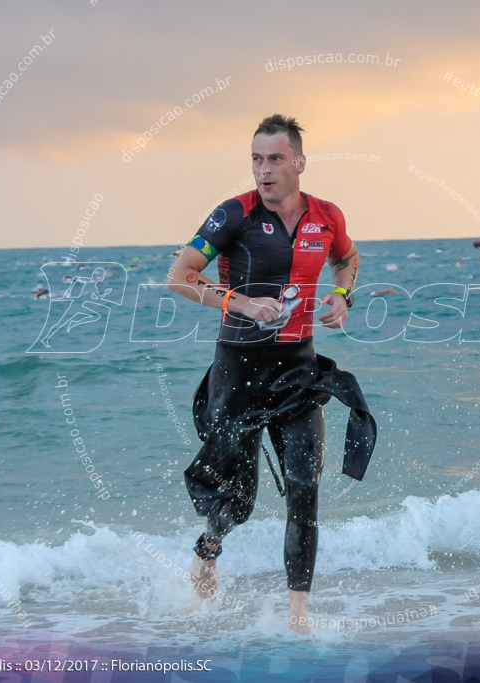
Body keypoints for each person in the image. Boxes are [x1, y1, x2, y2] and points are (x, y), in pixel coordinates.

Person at [167, 114, 376, 633]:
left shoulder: (327, 217)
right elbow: (180, 277)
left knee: (305, 489)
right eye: (257, 159)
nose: (265, 169)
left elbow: (348, 260)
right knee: (238, 500)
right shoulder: (233, 215)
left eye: (275, 158)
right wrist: (240, 302)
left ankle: (298, 618)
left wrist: (342, 296)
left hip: (298, 371)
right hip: (238, 373)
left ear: (299, 163)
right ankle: (208, 548)